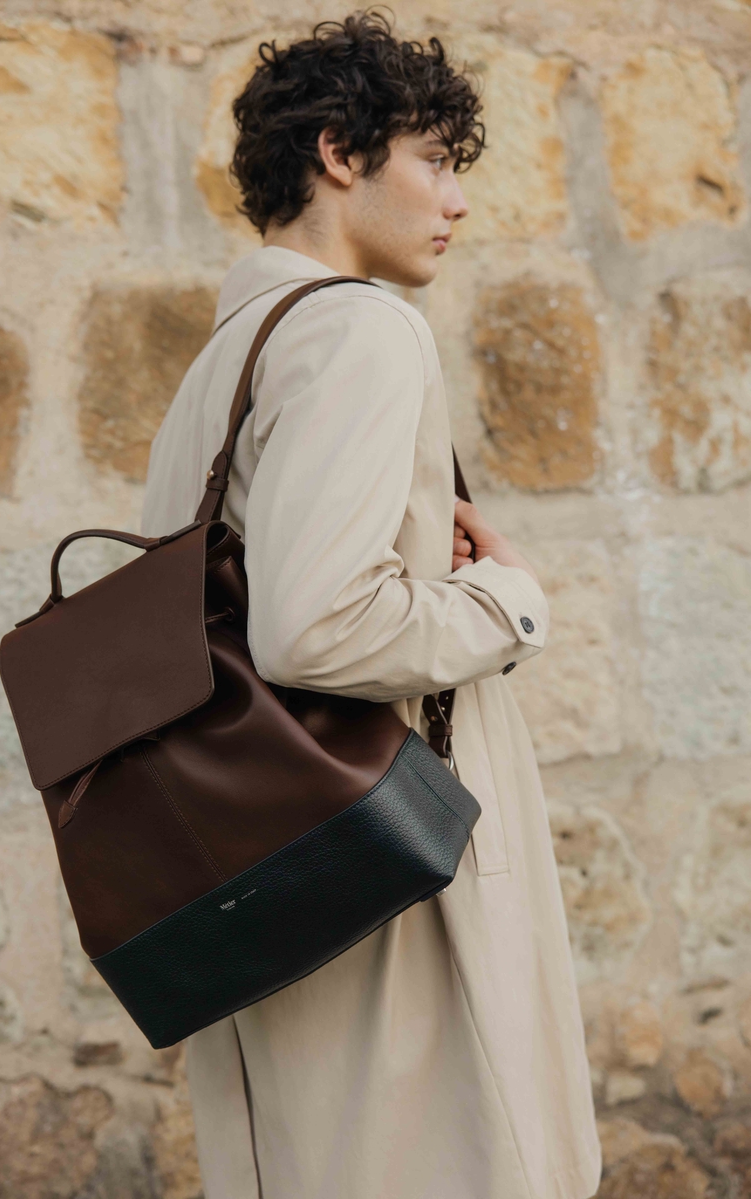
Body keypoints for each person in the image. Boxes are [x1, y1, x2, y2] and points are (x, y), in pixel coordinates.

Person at [141, 12, 601, 1199]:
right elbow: (315, 624)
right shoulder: (359, 330)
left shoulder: (222, 362)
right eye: (435, 162)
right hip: (384, 883)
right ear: (339, 153)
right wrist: (505, 601)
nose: (455, 201)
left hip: (265, 874)